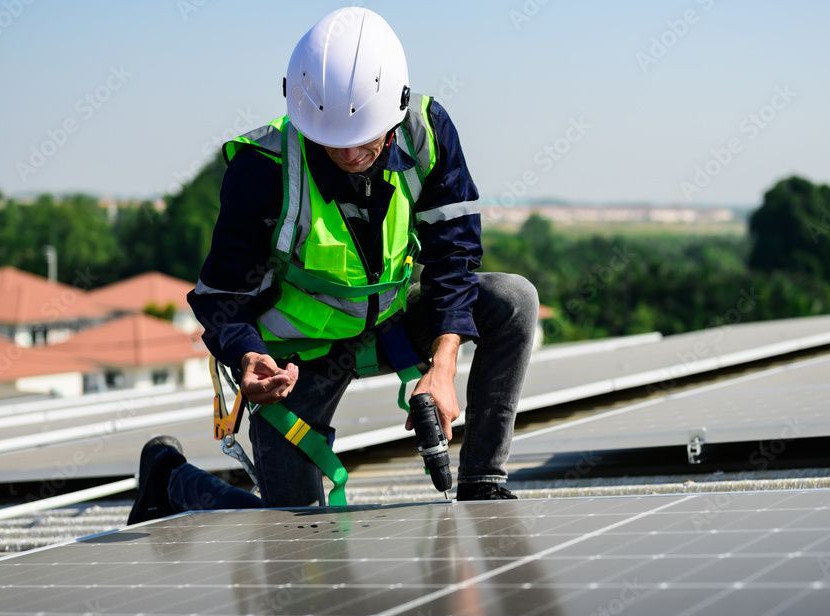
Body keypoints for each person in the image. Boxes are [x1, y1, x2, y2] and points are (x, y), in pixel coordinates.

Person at [128, 7, 538, 525]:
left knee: (512, 299)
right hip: (297, 362)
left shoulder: (426, 132)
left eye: (363, 138)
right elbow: (220, 298)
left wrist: (443, 366)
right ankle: (170, 478)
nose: (348, 153)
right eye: (333, 140)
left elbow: (452, 255)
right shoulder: (264, 168)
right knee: (294, 526)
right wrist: (249, 357)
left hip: (389, 325)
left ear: (396, 108)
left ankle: (483, 483)